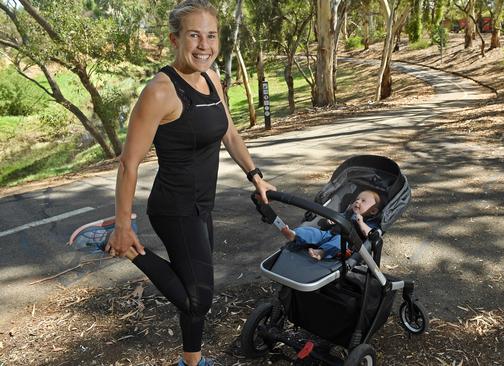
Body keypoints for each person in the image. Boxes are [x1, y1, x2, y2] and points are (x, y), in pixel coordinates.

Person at [104, 1, 275, 365]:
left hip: (201, 206)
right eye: (194, 35)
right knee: (199, 298)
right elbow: (128, 163)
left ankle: (191, 362)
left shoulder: (212, 79)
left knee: (191, 287)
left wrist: (255, 174)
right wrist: (123, 223)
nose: (204, 45)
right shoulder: (160, 92)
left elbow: (228, 131)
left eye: (211, 36)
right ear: (174, 39)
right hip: (174, 208)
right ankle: (130, 249)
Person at [281, 190, 381, 260]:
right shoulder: (348, 213)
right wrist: (330, 221)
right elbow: (337, 217)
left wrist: (361, 223)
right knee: (313, 232)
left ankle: (321, 252)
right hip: (328, 233)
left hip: (345, 242)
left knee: (337, 242)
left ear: (373, 211)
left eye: (363, 201)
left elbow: (370, 234)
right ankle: (294, 235)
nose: (358, 201)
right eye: (357, 199)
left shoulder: (371, 222)